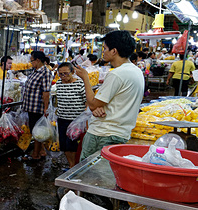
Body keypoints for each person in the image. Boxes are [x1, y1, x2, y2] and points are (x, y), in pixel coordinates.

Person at [74, 30, 144, 160]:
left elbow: (93, 103)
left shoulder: (116, 74)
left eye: (105, 48)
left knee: (87, 175)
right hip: (121, 133)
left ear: (114, 51)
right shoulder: (136, 71)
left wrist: (85, 79)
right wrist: (97, 107)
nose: (103, 52)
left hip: (102, 134)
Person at [53, 62, 87, 168]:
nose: (63, 76)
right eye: (61, 74)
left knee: (72, 145)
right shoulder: (58, 84)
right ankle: (71, 165)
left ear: (72, 72)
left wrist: (84, 119)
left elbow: (87, 101)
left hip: (76, 121)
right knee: (64, 145)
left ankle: (74, 166)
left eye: (66, 74)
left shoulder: (80, 83)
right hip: (62, 118)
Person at [22, 51, 50, 161]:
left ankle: (35, 155)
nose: (31, 63)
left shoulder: (45, 72)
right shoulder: (35, 71)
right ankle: (41, 151)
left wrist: (45, 108)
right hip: (31, 106)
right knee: (35, 130)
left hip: (37, 107)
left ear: (38, 60)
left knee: (37, 131)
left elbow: (46, 92)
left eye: (32, 60)